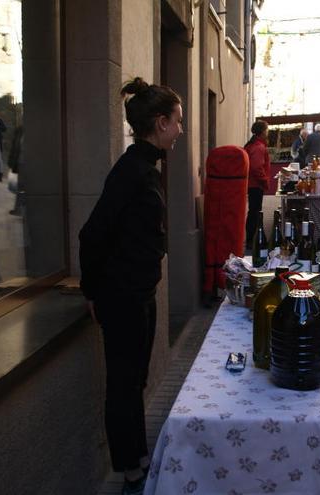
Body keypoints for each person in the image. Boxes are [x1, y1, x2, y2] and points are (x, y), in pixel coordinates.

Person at [79, 77, 183, 495]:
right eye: (177, 121)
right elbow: (92, 234)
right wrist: (92, 291)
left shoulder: (145, 167)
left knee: (135, 380)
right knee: (123, 385)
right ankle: (130, 471)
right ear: (160, 123)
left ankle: (138, 455)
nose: (181, 129)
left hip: (137, 294)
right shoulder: (132, 172)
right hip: (121, 297)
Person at [244, 120, 270, 247]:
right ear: (262, 132)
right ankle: (251, 239)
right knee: (255, 211)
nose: (268, 132)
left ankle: (252, 237)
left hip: (252, 183)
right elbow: (256, 167)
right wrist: (264, 181)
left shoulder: (253, 144)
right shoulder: (258, 147)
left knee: (253, 211)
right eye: (266, 129)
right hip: (255, 184)